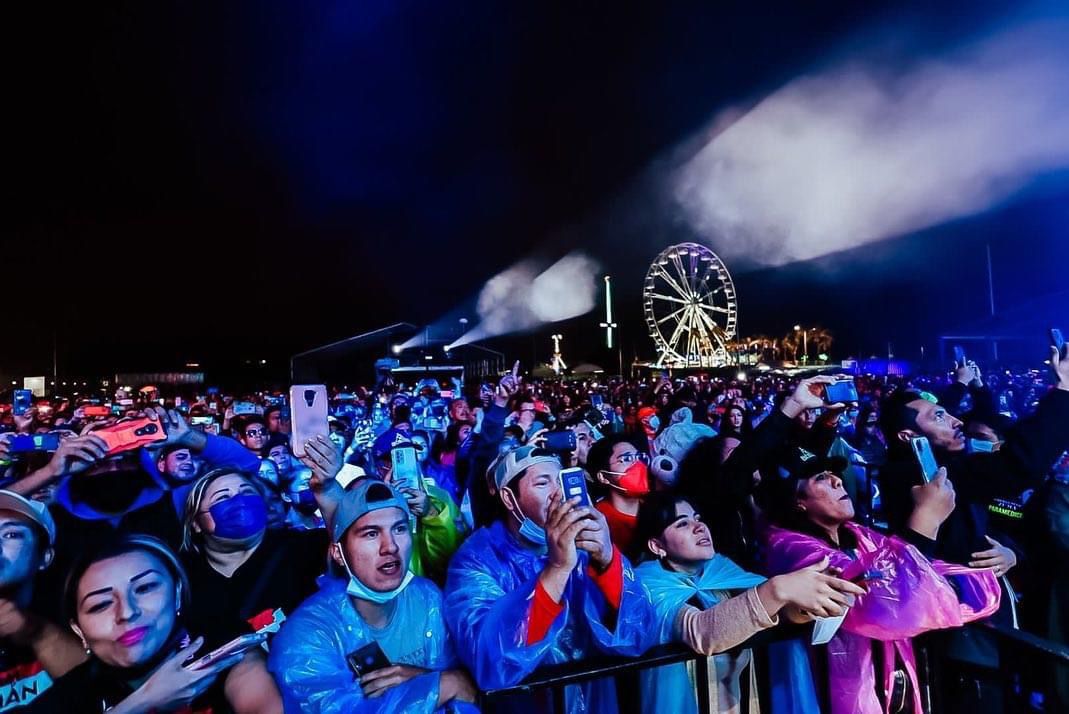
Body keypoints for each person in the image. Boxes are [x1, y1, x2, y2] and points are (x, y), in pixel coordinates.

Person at [878, 349, 1069, 711]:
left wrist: (1013, 553)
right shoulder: (924, 477)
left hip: (986, 623)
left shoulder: (942, 465)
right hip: (961, 638)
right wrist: (1063, 392)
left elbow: (989, 436)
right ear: (907, 437)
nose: (956, 421)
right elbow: (1019, 465)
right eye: (940, 416)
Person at [760, 447, 1001, 714]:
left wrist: (1005, 559)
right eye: (820, 478)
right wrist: (926, 519)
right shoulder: (789, 546)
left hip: (888, 681)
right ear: (797, 501)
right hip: (833, 690)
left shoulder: (858, 534)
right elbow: (881, 600)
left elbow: (925, 574)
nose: (837, 480)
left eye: (833, 474)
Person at [443, 444, 656, 714]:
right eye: (542, 483)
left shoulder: (585, 545)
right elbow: (492, 660)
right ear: (510, 499)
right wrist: (556, 569)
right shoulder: (476, 559)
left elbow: (640, 632)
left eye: (561, 481)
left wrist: (607, 561)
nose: (558, 493)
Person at [634, 491, 866, 714]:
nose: (699, 526)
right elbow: (700, 631)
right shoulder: (648, 584)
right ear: (657, 546)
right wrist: (778, 589)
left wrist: (808, 603)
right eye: (681, 523)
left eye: (697, 518)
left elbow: (779, 614)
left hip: (743, 697)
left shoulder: (722, 570)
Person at [268, 479, 477, 713]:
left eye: (399, 529)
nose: (390, 547)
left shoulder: (427, 596)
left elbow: (469, 688)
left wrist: (426, 679)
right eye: (371, 534)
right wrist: (444, 684)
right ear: (338, 553)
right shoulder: (308, 634)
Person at [26, 534, 281, 713]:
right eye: (100, 604)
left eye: (145, 587)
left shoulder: (221, 647)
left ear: (177, 594)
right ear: (78, 629)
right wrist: (144, 702)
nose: (126, 612)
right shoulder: (76, 693)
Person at [179, 442, 339, 649]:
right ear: (195, 523)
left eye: (247, 492)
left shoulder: (299, 548)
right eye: (223, 497)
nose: (239, 500)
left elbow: (349, 540)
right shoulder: (180, 576)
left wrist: (327, 487)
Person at [0, 491, 86, 709]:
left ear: (44, 557)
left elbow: (100, 698)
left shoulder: (77, 616)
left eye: (11, 535)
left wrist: (36, 632)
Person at [585, 434, 651, 554]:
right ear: (604, 477)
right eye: (626, 459)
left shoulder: (657, 507)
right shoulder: (598, 520)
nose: (638, 465)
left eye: (639, 457)